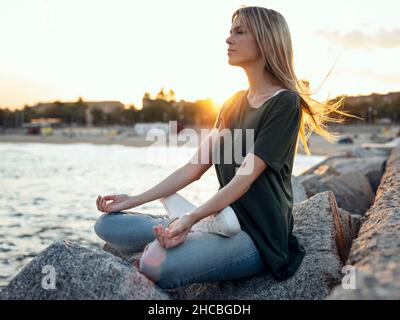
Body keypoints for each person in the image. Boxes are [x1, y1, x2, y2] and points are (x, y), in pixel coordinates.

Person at [93, 6, 357, 289]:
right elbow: (192, 169)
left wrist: (192, 216)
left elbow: (245, 176)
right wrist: (132, 200)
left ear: (266, 40)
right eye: (230, 32)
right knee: (107, 225)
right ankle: (192, 228)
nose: (229, 39)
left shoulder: (285, 103)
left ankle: (190, 227)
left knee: (153, 262)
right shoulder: (231, 103)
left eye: (240, 32)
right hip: (220, 219)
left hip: (256, 237)